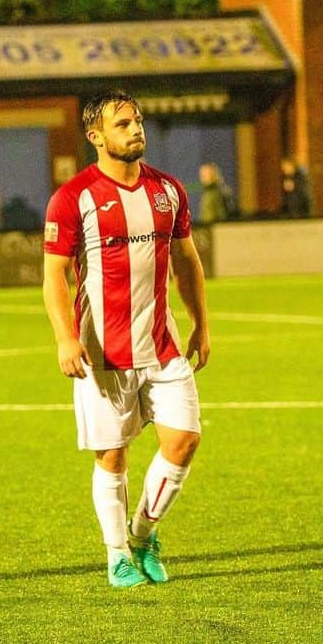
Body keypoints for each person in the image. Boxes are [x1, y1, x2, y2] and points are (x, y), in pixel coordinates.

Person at [42, 89, 211, 588]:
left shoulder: (168, 191)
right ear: (95, 136)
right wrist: (65, 338)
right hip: (102, 351)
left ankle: (142, 534)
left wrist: (201, 322)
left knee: (183, 440)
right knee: (112, 456)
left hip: (161, 344)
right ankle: (117, 554)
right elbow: (54, 275)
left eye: (137, 121)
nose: (135, 130)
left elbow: (187, 261)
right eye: (122, 124)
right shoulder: (74, 197)